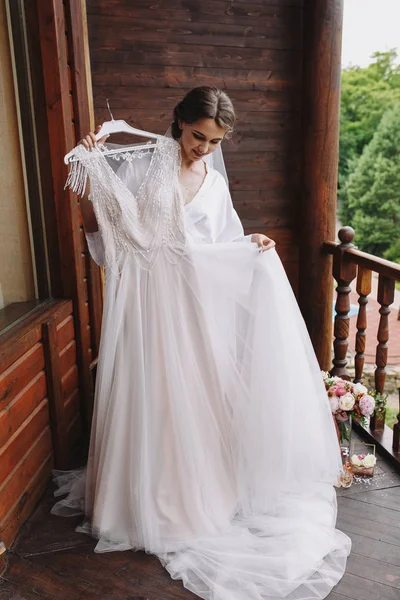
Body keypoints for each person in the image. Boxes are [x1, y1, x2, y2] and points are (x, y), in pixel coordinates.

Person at [53, 86, 351, 600]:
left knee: (190, 404)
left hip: (191, 310)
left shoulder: (213, 183)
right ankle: (131, 503)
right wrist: (93, 175)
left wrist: (250, 243)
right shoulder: (143, 163)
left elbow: (219, 246)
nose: (203, 149)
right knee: (145, 398)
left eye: (214, 142)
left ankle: (191, 502)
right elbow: (102, 239)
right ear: (178, 122)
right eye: (197, 136)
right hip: (143, 308)